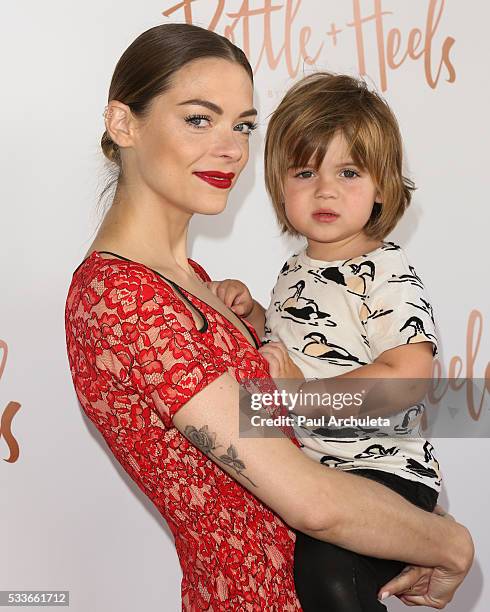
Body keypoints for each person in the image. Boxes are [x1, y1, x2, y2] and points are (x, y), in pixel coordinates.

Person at [65, 24, 473, 611]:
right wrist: (450, 542)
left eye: (244, 125)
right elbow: (313, 503)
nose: (232, 148)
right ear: (124, 122)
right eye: (199, 119)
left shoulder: (198, 284)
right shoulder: (122, 297)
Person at [206, 72, 453, 610]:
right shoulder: (294, 271)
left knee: (329, 579)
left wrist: (300, 396)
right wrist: (254, 318)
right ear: (278, 184)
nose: (325, 189)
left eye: (348, 171)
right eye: (304, 171)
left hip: (387, 474)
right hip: (320, 474)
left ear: (383, 186)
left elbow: (408, 377)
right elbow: (307, 347)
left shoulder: (385, 270)